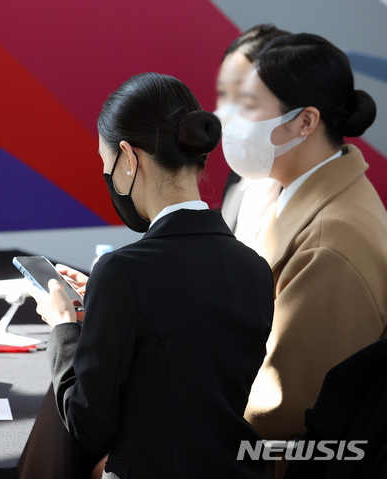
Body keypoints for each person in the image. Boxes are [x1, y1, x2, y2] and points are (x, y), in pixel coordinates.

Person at [30, 72, 274, 478]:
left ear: (128, 158)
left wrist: (63, 327)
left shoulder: (123, 272)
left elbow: (87, 424)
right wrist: (110, 305)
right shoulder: (254, 267)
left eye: (105, 162)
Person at [221, 33, 387, 472]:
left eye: (250, 107)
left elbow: (283, 413)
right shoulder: (279, 193)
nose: (232, 121)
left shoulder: (331, 244)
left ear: (305, 122)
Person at [216, 24, 289, 249]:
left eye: (246, 96)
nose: (228, 112)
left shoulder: (316, 195)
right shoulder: (238, 180)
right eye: (224, 94)